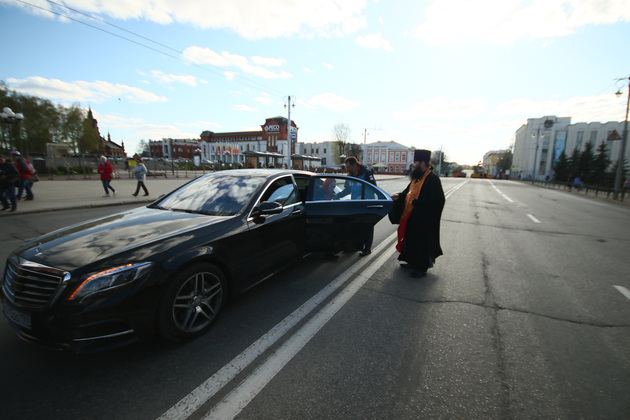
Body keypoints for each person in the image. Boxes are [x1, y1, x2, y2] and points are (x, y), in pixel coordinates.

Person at [391, 149, 445, 278]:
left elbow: (438, 200)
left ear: (423, 163)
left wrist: (417, 203)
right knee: (411, 240)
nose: (413, 164)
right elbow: (407, 192)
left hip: (423, 219)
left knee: (421, 243)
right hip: (412, 216)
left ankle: (421, 267)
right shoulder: (417, 178)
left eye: (415, 162)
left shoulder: (432, 179)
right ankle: (411, 261)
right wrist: (398, 196)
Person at [339, 156, 377, 256]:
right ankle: (354, 247)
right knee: (355, 226)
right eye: (346, 167)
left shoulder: (366, 173)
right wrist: (337, 196)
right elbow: (347, 190)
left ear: (355, 165)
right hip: (355, 204)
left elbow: (374, 188)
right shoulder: (349, 175)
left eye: (349, 167)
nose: (347, 169)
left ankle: (367, 249)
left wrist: (364, 196)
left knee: (367, 227)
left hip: (367, 204)